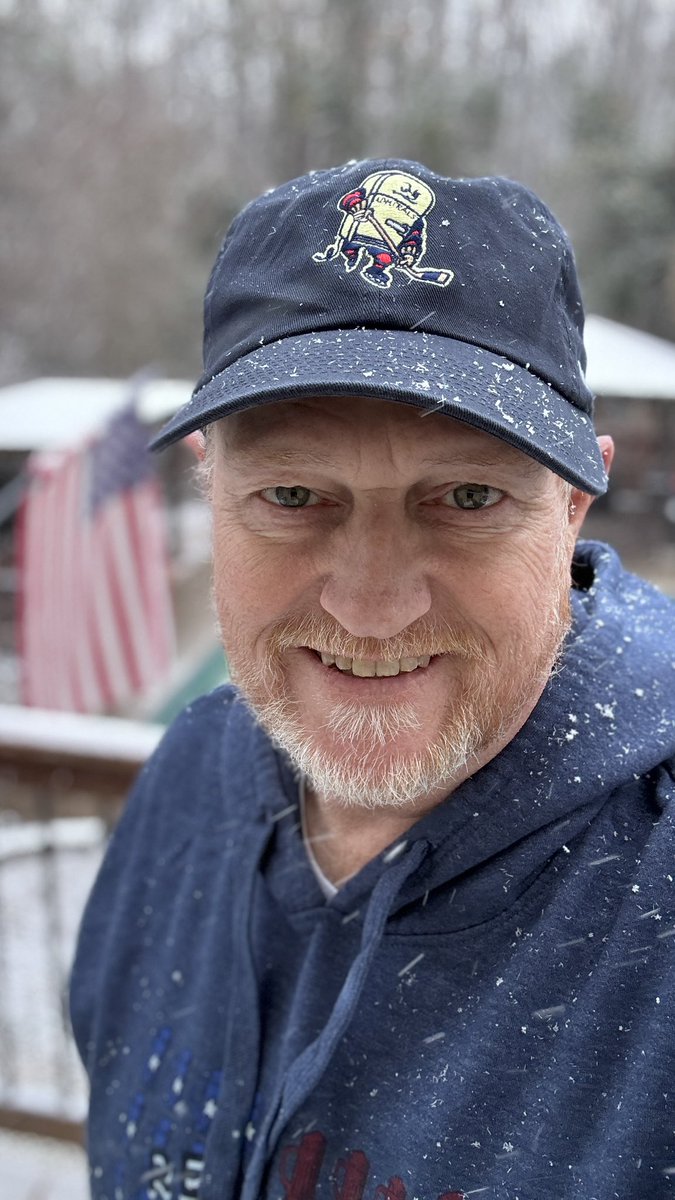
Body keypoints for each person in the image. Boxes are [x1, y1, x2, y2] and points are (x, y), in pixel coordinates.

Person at [70, 159, 675, 1200]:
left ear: (577, 499)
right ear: (211, 484)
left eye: (468, 496)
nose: (370, 605)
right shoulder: (188, 780)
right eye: (295, 493)